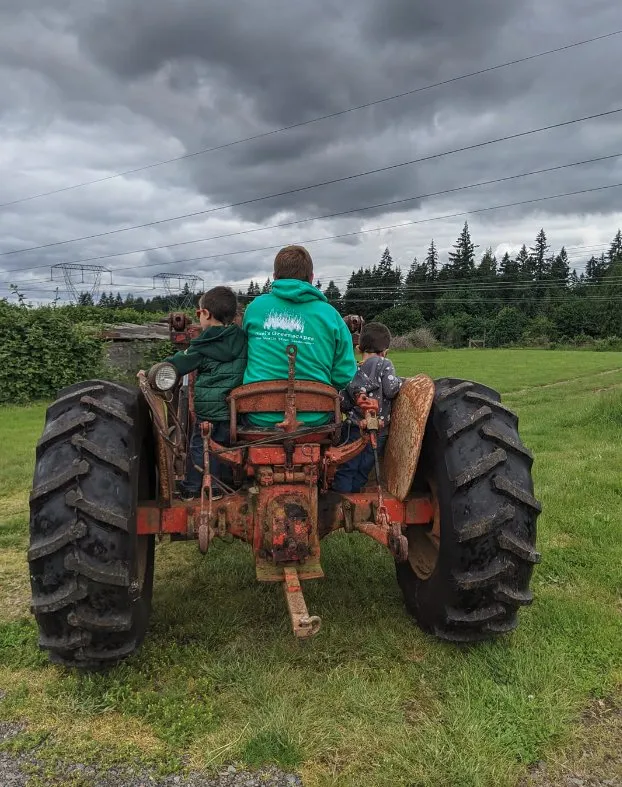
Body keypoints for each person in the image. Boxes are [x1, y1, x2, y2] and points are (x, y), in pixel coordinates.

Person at [242, 245, 357, 427]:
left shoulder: (255, 308)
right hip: (316, 420)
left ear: (275, 277)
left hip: (258, 417)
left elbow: (244, 356)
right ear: (311, 278)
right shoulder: (331, 315)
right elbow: (344, 375)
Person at [165, 286, 247, 500]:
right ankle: (222, 487)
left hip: (208, 412)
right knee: (226, 448)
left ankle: (193, 488)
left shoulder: (203, 343)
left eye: (198, 313)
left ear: (206, 314)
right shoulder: (242, 338)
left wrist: (156, 370)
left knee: (200, 447)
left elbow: (180, 364)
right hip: (233, 411)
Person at [332, 322, 402, 494]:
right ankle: (357, 495)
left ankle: (342, 497)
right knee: (365, 467)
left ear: (358, 349)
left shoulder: (352, 370)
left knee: (347, 466)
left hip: (353, 429)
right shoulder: (384, 364)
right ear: (385, 352)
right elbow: (391, 390)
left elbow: (344, 402)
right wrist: (401, 382)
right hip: (378, 430)